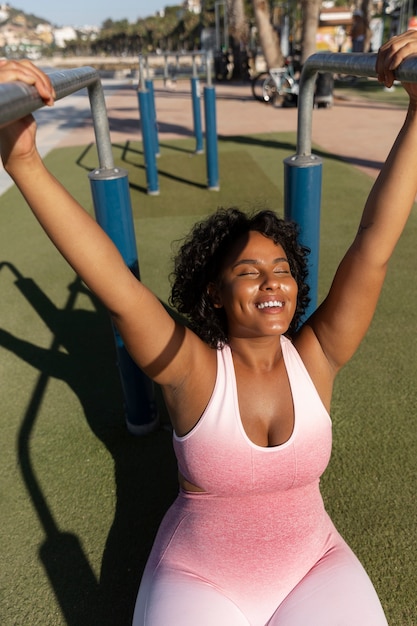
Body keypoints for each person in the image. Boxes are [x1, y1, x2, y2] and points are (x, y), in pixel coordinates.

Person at [0, 31, 417, 625]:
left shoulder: (316, 356)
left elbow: (374, 246)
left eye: (281, 270)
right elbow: (114, 287)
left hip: (312, 563)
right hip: (202, 575)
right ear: (215, 296)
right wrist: (23, 162)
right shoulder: (192, 370)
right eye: (248, 272)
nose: (271, 282)